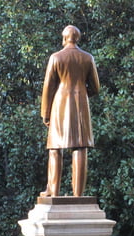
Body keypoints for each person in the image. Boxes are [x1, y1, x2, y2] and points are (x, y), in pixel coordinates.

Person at [40, 25, 100, 197]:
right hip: (81, 104)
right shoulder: (87, 58)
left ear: (64, 38)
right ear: (78, 38)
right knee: (80, 148)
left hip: (59, 105)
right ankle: (78, 194)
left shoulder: (56, 57)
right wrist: (83, 94)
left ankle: (53, 190)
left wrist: (46, 112)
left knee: (54, 148)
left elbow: (48, 87)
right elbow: (96, 87)